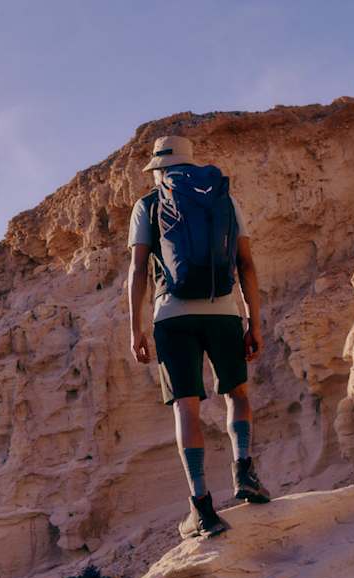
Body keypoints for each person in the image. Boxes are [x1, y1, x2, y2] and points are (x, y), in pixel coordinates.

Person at [126, 135, 271, 540]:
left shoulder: (149, 204)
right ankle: (245, 474)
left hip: (171, 316)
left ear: (158, 170)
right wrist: (254, 323)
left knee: (186, 409)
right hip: (224, 311)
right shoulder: (224, 200)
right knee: (237, 394)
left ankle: (202, 509)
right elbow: (246, 263)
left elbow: (138, 270)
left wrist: (135, 328)